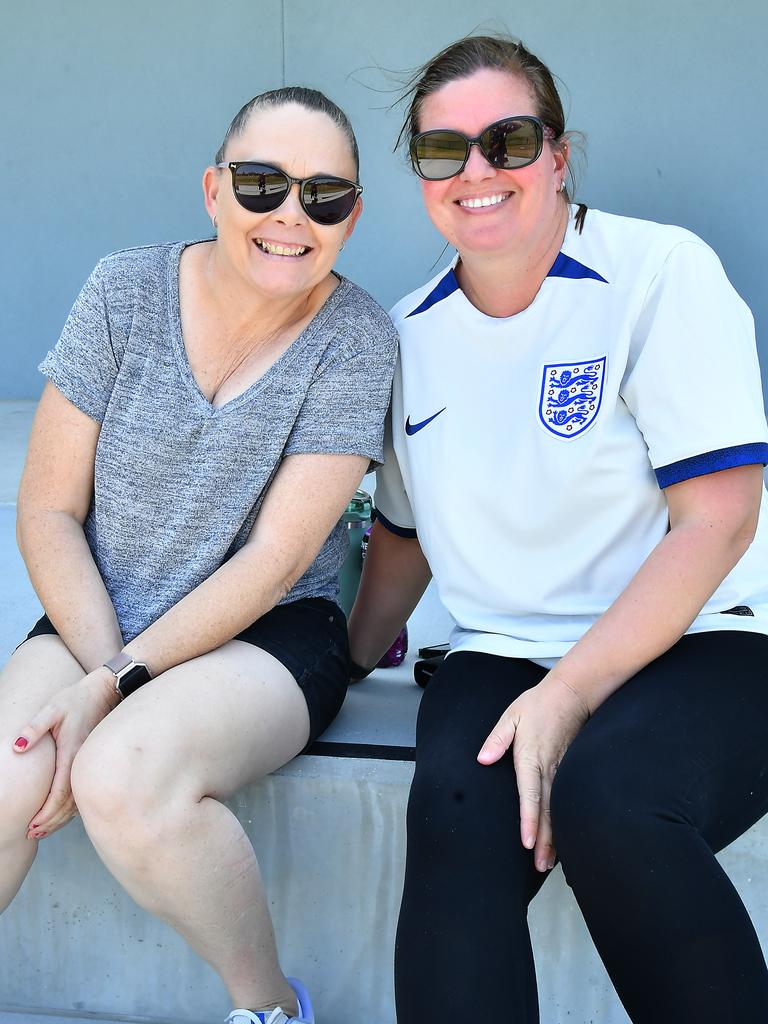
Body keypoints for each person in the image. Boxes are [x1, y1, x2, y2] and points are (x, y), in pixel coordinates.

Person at [348, 34, 768, 1024]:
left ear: (560, 155)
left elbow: (718, 517)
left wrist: (569, 695)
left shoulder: (661, 271)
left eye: (510, 139)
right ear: (421, 175)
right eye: (445, 150)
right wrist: (337, 659)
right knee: (455, 810)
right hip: (502, 650)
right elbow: (402, 536)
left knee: (608, 799)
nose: (478, 171)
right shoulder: (409, 331)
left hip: (706, 636)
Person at [1, 86, 397, 1024]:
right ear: (215, 190)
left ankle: (269, 1010)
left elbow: (273, 560)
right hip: (99, 610)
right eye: (262, 185)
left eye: (324, 195)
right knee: (6, 772)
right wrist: (104, 667)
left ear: (353, 216)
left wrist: (109, 690)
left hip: (263, 634)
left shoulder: (355, 337)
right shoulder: (123, 291)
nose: (290, 215)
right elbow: (49, 509)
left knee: (123, 777)